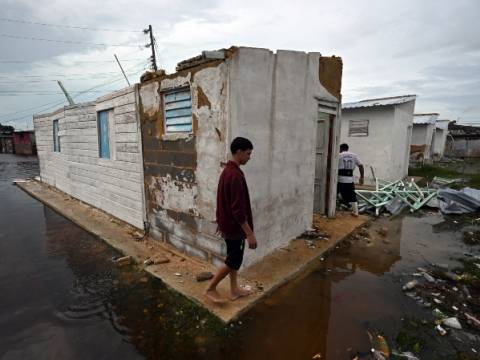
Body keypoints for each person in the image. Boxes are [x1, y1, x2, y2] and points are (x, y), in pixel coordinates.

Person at [205, 137, 257, 304]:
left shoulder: (228, 171)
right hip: (235, 229)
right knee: (233, 260)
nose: (250, 157)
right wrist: (249, 234)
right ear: (239, 152)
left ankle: (234, 290)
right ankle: (210, 288)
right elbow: (238, 211)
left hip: (228, 226)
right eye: (248, 153)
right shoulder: (234, 175)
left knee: (233, 258)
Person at [338, 143, 364, 216]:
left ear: (341, 149)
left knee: (335, 193)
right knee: (352, 195)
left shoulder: (339, 155)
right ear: (347, 148)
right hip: (349, 179)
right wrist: (362, 177)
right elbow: (361, 166)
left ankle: (332, 210)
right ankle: (356, 212)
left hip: (339, 179)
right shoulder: (354, 155)